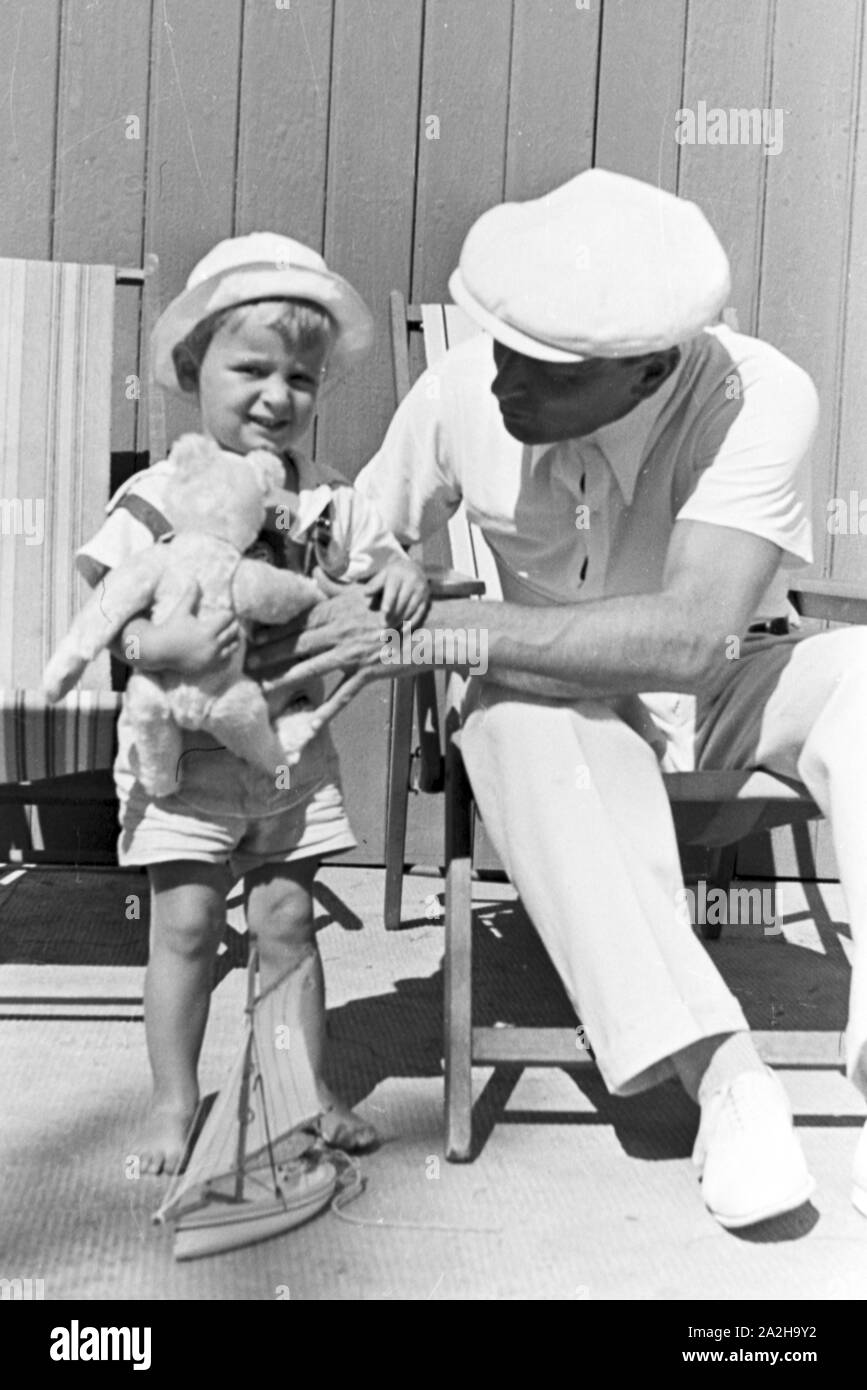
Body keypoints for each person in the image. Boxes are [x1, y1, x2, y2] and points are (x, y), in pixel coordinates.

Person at [249, 169, 867, 1230]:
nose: (500, 386)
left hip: (730, 679)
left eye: (538, 371)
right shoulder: (461, 389)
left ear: (652, 372)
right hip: (559, 711)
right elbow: (358, 550)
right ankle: (728, 1080)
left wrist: (453, 630)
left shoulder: (760, 396)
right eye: (499, 350)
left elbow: (692, 639)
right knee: (506, 707)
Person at [77, 233, 428, 1174]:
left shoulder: (327, 499)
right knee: (187, 928)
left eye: (302, 378)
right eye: (251, 370)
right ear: (194, 369)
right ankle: (173, 1100)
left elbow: (379, 553)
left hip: (285, 757)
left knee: (286, 925)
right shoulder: (156, 495)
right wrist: (162, 644)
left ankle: (298, 1091)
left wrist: (399, 576)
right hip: (185, 764)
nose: (278, 396)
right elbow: (114, 617)